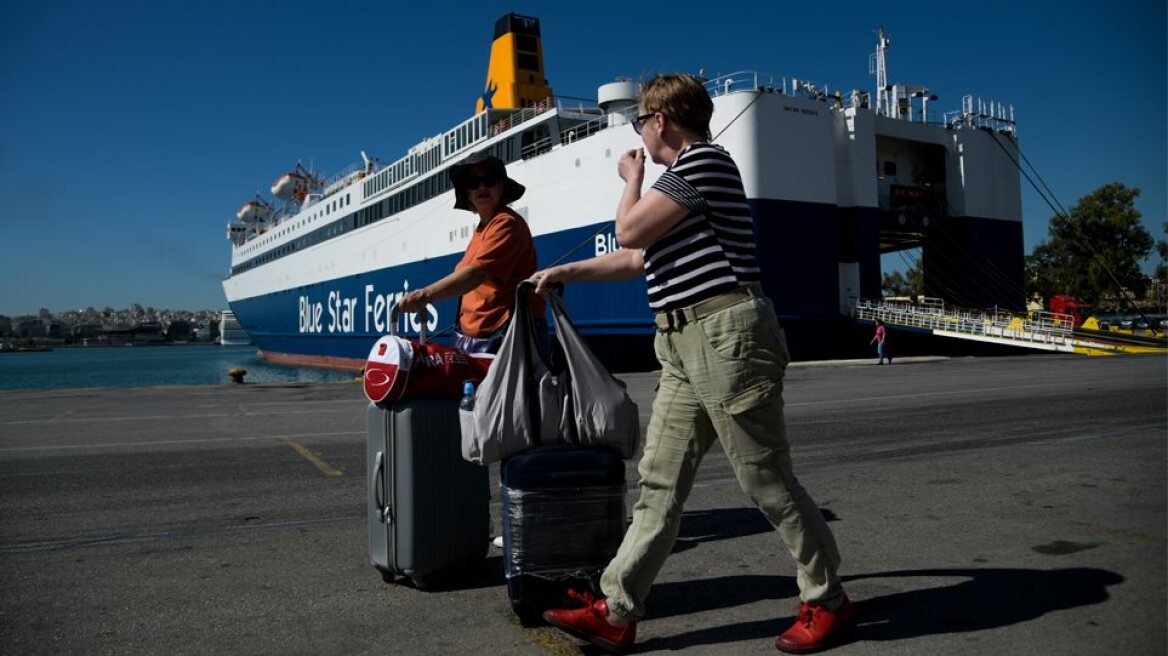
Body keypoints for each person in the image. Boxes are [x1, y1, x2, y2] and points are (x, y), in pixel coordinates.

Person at [531, 73, 852, 654]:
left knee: (765, 479)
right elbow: (634, 257)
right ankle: (618, 608)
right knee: (660, 481)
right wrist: (564, 272)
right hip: (680, 342)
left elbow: (626, 227)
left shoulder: (703, 163)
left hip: (725, 333)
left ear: (659, 122)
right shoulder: (683, 181)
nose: (638, 137)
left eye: (639, 123)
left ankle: (827, 599)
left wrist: (632, 179)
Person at [396, 150, 545, 354]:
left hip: (504, 342)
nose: (482, 187)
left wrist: (425, 295)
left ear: (501, 187)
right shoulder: (483, 228)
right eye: (474, 183)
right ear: (467, 193)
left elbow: (476, 274)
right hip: (479, 341)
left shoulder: (506, 224)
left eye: (489, 180)